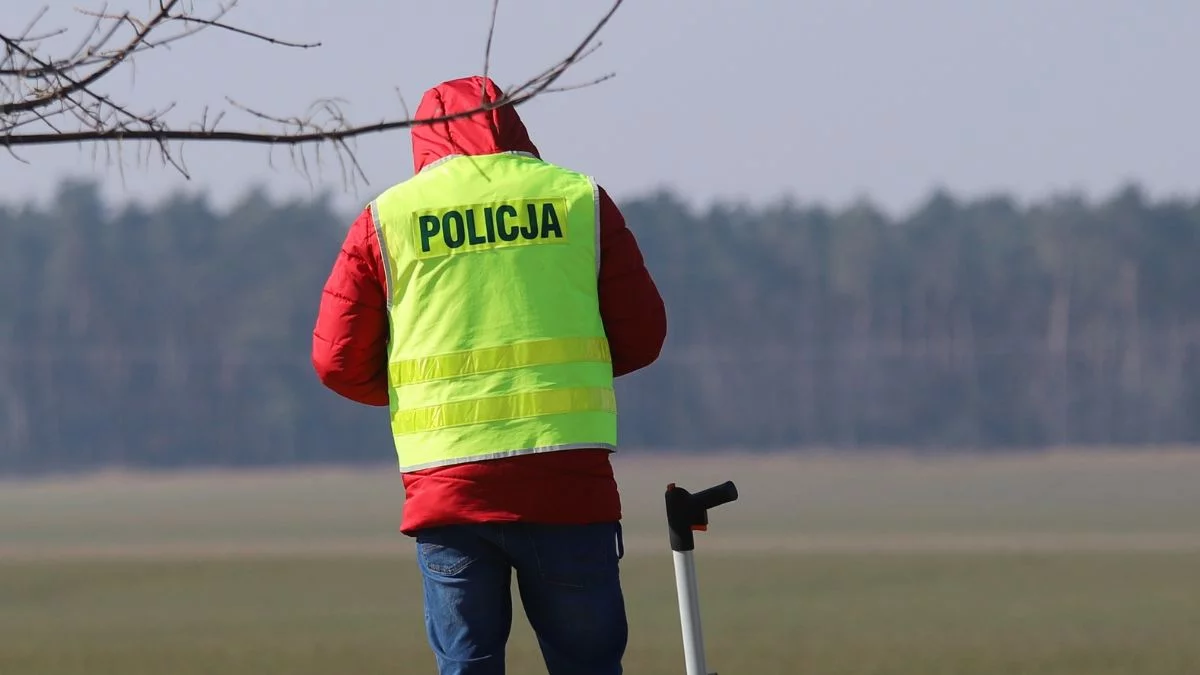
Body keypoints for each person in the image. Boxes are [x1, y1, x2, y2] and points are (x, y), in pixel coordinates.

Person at [310, 75, 667, 675]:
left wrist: (418, 395)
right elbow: (643, 335)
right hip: (567, 480)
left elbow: (336, 360)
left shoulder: (386, 218)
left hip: (448, 489)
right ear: (511, 122)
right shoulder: (578, 198)